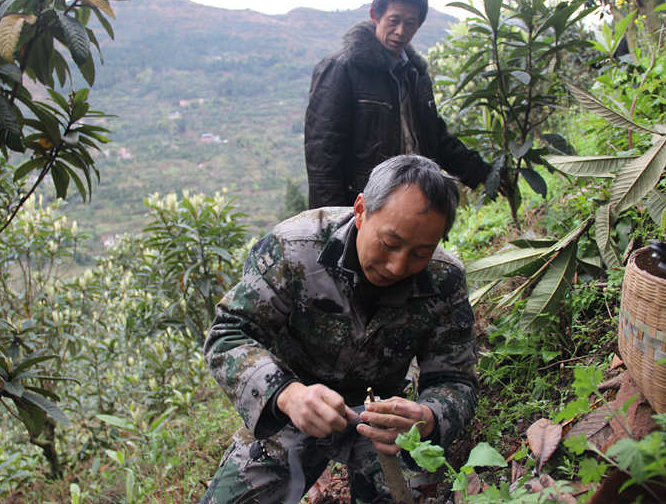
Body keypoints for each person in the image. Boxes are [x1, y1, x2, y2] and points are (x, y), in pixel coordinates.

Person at [200, 154, 478, 503]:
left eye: (421, 252)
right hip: (292, 411)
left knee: (419, 494)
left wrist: (428, 417)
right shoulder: (293, 250)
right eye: (390, 243)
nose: (397, 265)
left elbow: (456, 380)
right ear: (361, 210)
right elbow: (228, 333)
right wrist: (288, 395)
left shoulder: (444, 278)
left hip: (382, 424)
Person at [305, 0, 491, 209]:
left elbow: (435, 138)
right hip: (365, 206)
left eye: (410, 23)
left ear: (419, 24)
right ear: (376, 15)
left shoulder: (415, 74)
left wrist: (483, 173)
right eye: (394, 20)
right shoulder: (343, 68)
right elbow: (323, 155)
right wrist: (334, 223)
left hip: (414, 202)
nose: (401, 31)